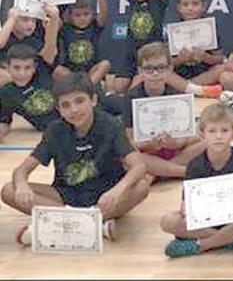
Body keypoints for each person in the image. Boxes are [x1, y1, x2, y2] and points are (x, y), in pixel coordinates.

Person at [1, 73, 150, 244]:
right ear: (58, 110)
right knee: (8, 190)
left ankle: (55, 225)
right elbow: (22, 169)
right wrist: (21, 185)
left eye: (79, 101)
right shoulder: (55, 130)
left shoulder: (111, 125)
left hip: (104, 197)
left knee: (141, 186)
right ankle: (92, 225)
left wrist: (117, 191)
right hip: (66, 195)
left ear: (93, 100)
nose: (73, 110)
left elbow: (138, 166)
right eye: (66, 105)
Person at [161, 103, 233, 257]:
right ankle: (232, 240)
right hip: (205, 221)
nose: (218, 136)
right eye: (212, 131)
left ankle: (201, 245)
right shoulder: (194, 165)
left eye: (224, 131)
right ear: (202, 134)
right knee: (168, 221)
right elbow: (185, 206)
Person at [123, 42, 204, 182]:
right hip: (147, 151)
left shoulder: (178, 96)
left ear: (170, 69)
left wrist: (175, 144)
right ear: (140, 71)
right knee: (127, 156)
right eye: (149, 69)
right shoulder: (131, 97)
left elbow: (186, 135)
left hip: (173, 150)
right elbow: (129, 141)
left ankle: (156, 173)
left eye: (161, 68)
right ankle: (184, 172)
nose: (155, 73)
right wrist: (150, 145)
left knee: (205, 142)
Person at [113, 0, 169, 93]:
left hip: (151, 55)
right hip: (131, 54)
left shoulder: (158, 2)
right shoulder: (133, 1)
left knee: (135, 88)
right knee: (118, 86)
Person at [0, 44, 62, 136]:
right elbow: (4, 122)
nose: (22, 73)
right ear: (7, 67)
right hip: (47, 134)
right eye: (16, 67)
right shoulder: (6, 93)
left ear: (34, 68)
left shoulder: (43, 72)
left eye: (27, 68)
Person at [53, 0, 110, 85]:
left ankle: (87, 87)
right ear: (70, 16)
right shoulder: (65, 28)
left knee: (105, 64)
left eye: (86, 14)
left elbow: (103, 15)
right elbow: (54, 18)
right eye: (77, 15)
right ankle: (79, 87)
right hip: (70, 73)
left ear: (92, 14)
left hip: (90, 72)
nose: (82, 18)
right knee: (57, 70)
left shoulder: (94, 26)